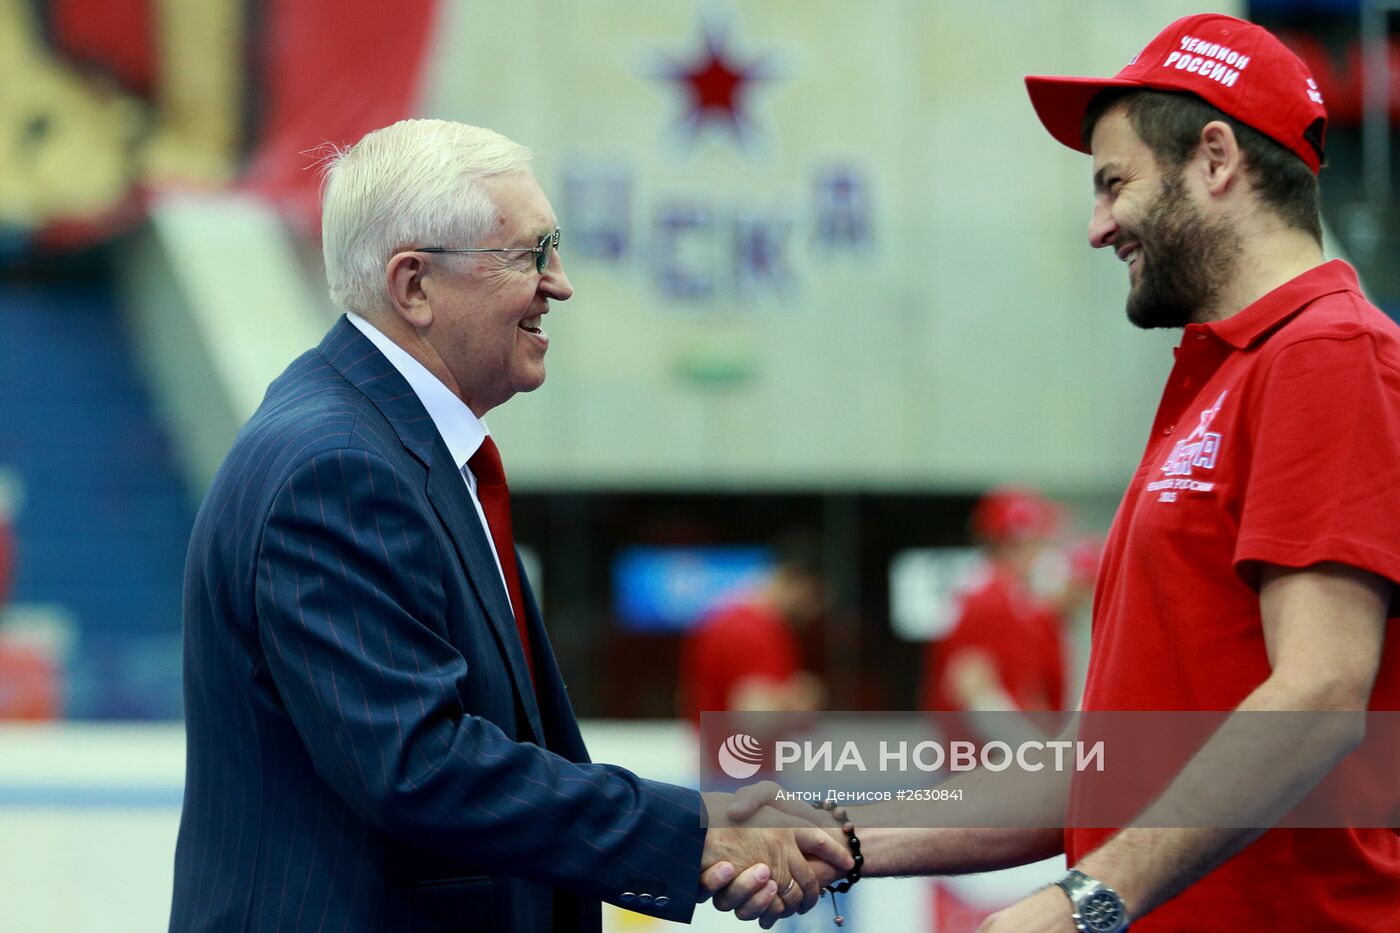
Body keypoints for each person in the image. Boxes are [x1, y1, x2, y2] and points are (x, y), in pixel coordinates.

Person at [726, 14, 1400, 932]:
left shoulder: (1328, 352)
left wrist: (1084, 900)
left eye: (1113, 183)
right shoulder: (1229, 374)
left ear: (1216, 159)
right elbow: (1105, 766)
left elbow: (1319, 693)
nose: (1097, 226)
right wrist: (845, 834)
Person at [169, 119, 851, 932]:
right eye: (530, 254)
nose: (558, 283)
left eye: (552, 247)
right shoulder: (338, 466)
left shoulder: (387, 448)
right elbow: (421, 765)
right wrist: (701, 830)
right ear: (414, 285)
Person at [921, 487, 1077, 727]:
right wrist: (1029, 749)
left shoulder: (1010, 596)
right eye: (1042, 541)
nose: (1048, 549)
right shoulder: (988, 598)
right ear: (1016, 544)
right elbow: (970, 684)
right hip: (984, 759)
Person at [679, 534, 826, 725]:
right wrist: (800, 697)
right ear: (796, 579)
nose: (813, 611)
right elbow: (756, 721)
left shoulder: (721, 619)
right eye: (814, 597)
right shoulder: (754, 632)